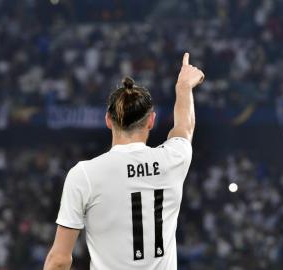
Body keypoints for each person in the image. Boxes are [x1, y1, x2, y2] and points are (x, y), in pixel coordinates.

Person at [43, 52, 204, 270]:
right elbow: (185, 127)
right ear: (151, 121)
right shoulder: (173, 159)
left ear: (108, 120)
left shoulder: (85, 175)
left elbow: (60, 260)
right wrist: (184, 87)